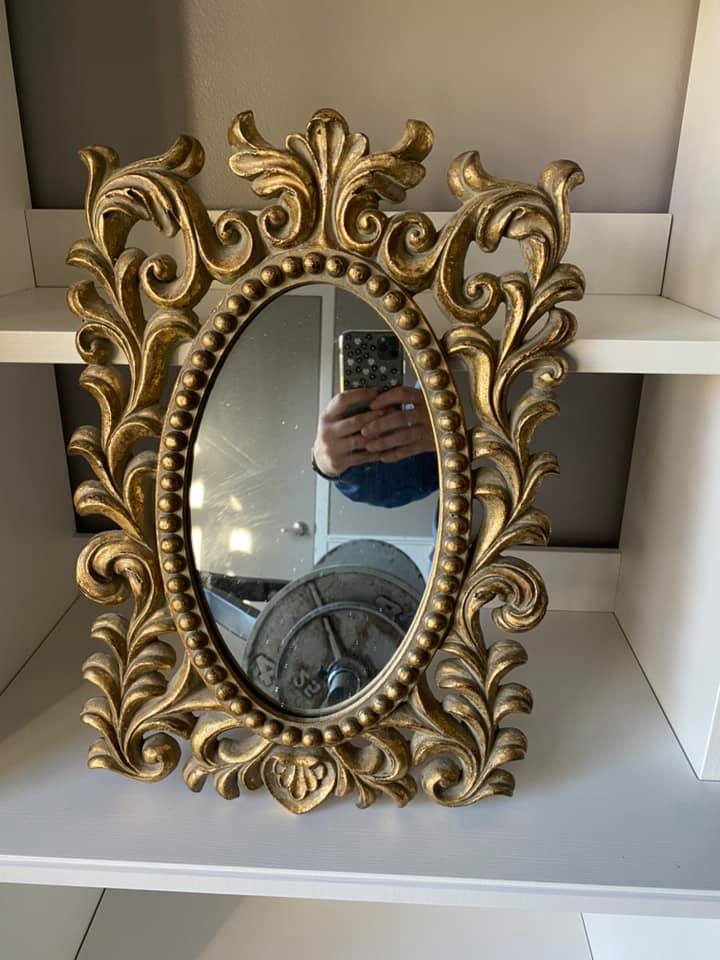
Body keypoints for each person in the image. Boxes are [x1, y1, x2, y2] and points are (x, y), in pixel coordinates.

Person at [312, 385, 438, 507]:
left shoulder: (423, 399)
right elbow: (395, 483)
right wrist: (328, 464)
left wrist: (444, 422)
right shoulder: (423, 399)